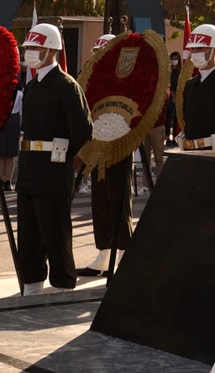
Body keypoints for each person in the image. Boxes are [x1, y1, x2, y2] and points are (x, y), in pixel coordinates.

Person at [15, 23, 92, 295]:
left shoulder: (66, 86)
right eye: (28, 48)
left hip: (53, 170)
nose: (30, 53)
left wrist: (66, 155)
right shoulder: (33, 87)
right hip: (29, 170)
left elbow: (83, 129)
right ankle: (32, 285)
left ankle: (62, 286)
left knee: (56, 234)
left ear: (51, 50)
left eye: (35, 48)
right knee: (29, 235)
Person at [78, 35, 131, 277]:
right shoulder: (92, 81)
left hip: (118, 145)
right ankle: (104, 253)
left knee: (118, 201)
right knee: (100, 202)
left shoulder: (124, 80)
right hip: (96, 145)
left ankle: (123, 253)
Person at [0, 65, 25, 192]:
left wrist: (21, 128)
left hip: (14, 121)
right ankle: (0, 180)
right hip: (2, 121)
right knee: (0, 153)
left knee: (11, 154)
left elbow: (21, 112)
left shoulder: (20, 94)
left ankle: (8, 181)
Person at [166, 51, 182, 147]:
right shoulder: (169, 72)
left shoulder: (180, 72)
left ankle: (174, 138)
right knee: (168, 118)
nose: (174, 61)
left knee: (176, 119)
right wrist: (172, 95)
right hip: (170, 97)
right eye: (172, 59)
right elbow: (168, 84)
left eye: (175, 59)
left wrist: (177, 96)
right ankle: (168, 138)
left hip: (178, 98)